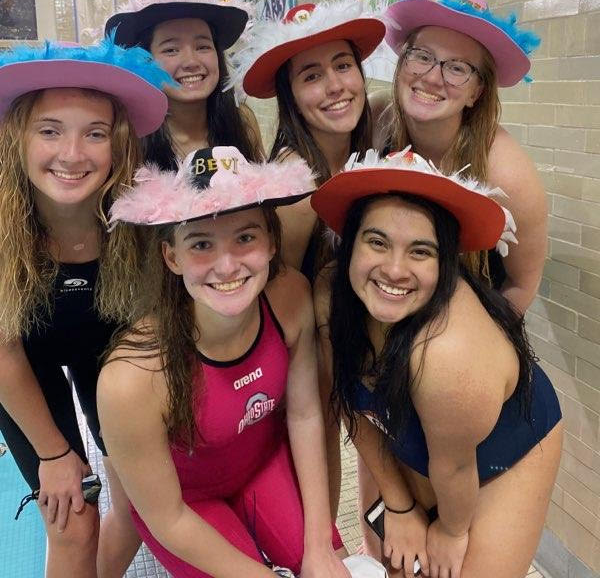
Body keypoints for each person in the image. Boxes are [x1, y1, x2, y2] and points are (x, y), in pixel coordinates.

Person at [98, 146, 350, 578]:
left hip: (262, 467)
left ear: (271, 242)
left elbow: (306, 414)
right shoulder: (131, 378)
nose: (227, 265)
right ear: (171, 257)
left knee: (335, 567)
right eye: (201, 244)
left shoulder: (289, 299)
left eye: (245, 237)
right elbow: (168, 517)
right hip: (186, 508)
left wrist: (319, 546)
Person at [312, 149, 562, 578]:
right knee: (400, 563)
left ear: (445, 263)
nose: (394, 270)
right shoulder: (328, 297)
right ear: (349, 243)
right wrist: (399, 502)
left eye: (420, 252)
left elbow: (455, 467)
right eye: (377, 242)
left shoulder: (447, 356)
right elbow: (355, 408)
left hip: (504, 443)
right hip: (427, 434)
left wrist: (451, 530)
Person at [0, 39, 172, 578]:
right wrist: (53, 456)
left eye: (94, 133)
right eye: (50, 130)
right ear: (18, 138)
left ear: (118, 145)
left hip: (111, 350)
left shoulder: (140, 219)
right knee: (72, 521)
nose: (72, 154)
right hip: (22, 360)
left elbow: (149, 328)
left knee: (141, 498)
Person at [371, 0, 546, 314]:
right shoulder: (377, 119)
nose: (433, 78)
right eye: (422, 56)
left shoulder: (506, 171)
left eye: (457, 68)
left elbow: (522, 284)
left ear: (476, 92)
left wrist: (482, 350)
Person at [230, 0, 384, 281]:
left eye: (343, 65)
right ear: (293, 100)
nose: (336, 86)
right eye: (312, 76)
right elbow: (283, 292)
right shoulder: (295, 187)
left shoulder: (366, 143)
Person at [104, 0, 262, 168]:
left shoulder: (242, 123)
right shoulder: (127, 136)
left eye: (203, 47)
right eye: (171, 50)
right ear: (146, 60)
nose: (191, 62)